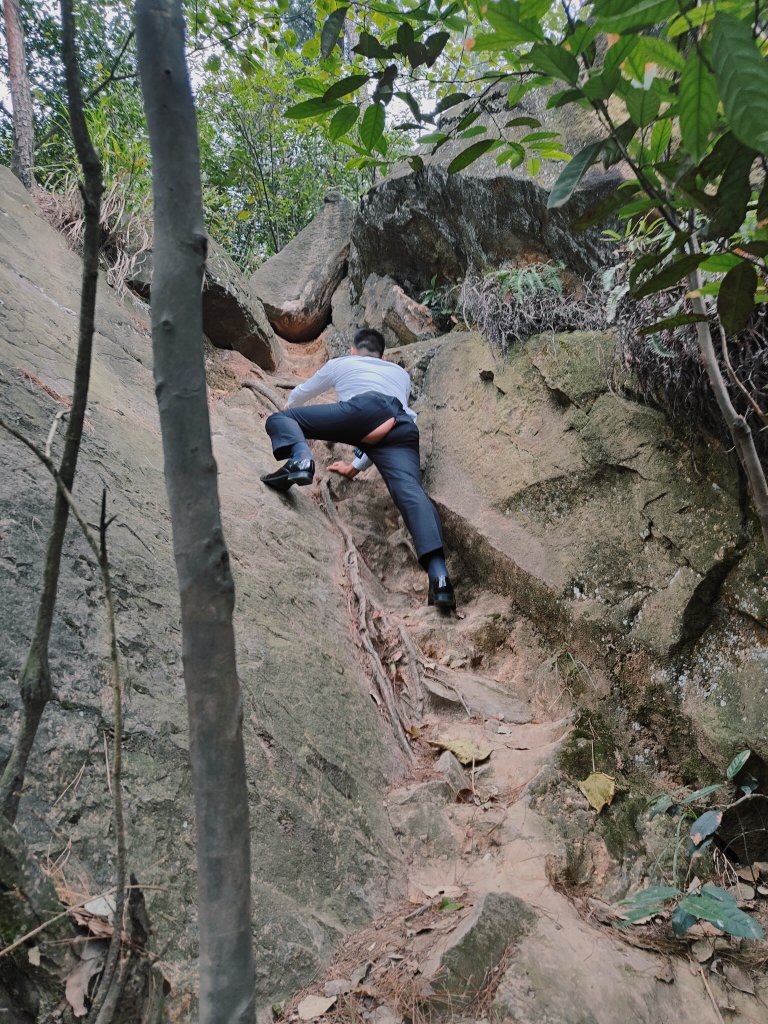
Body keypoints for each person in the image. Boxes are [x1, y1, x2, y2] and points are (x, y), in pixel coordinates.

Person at [261, 327, 455, 610]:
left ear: (353, 350)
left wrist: (291, 412)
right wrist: (356, 466)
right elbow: (382, 428)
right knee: (412, 493)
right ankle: (440, 578)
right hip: (402, 426)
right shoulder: (399, 375)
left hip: (361, 412)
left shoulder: (341, 363)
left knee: (280, 420)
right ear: (383, 356)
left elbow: (301, 394)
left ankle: (301, 459)